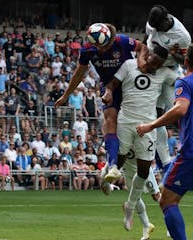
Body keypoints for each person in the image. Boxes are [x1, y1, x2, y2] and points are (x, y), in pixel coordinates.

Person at [54, 23, 146, 187]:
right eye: (98, 47)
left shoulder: (122, 41)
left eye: (104, 46)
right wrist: (65, 95)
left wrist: (140, 64)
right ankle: (112, 167)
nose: (101, 50)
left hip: (129, 84)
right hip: (108, 86)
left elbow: (143, 47)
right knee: (109, 120)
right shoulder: (87, 49)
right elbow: (79, 73)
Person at [102, 45, 174, 230]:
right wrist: (109, 92)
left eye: (158, 65)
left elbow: (184, 75)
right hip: (125, 121)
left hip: (148, 126)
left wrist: (178, 55)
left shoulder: (165, 73)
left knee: (144, 170)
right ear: (147, 56)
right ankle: (106, 179)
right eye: (152, 62)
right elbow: (113, 83)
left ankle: (130, 206)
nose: (154, 67)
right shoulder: (129, 65)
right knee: (118, 161)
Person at [136, 44, 193, 240]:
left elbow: (180, 109)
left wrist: (151, 125)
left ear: (186, 62)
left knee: (167, 200)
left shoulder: (185, 83)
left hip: (191, 153)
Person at [142, 5, 192, 177]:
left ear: (166, 20)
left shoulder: (182, 36)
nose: (156, 30)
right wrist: (144, 57)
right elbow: (146, 37)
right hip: (153, 69)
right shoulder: (153, 24)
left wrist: (174, 54)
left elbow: (185, 60)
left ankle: (182, 155)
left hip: (170, 70)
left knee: (180, 113)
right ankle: (166, 163)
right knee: (154, 115)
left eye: (159, 27)